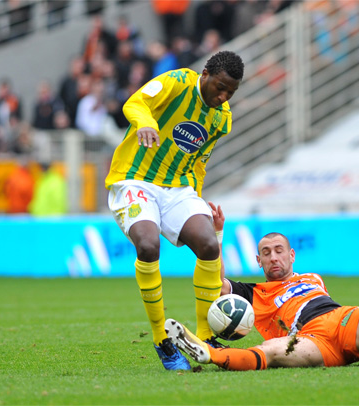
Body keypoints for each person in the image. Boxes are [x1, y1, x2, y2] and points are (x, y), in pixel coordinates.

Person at [165, 204, 359, 371]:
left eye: (279, 250)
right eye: (266, 253)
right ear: (258, 261)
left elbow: (328, 309)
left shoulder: (313, 278)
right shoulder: (254, 293)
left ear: (292, 255)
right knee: (271, 351)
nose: (273, 257)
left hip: (341, 319)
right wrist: (217, 235)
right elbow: (215, 284)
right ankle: (209, 353)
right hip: (308, 340)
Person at [104, 51, 244, 371]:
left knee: (208, 244)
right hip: (135, 178)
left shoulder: (222, 118)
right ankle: (162, 340)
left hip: (177, 187)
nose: (223, 97)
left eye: (231, 92)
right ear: (205, 74)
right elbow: (135, 103)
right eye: (220, 87)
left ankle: (205, 337)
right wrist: (146, 123)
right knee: (148, 245)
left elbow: (199, 162)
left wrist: (198, 203)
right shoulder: (177, 81)